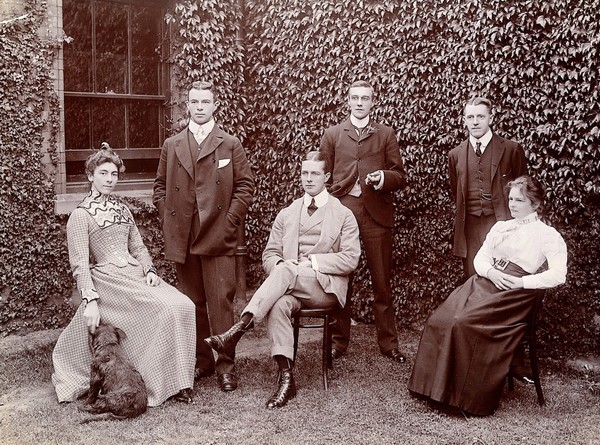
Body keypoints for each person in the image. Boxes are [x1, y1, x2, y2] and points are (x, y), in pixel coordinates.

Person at [204, 151, 360, 408]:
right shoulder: (287, 213)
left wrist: (312, 262)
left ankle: (237, 331)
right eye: (304, 173)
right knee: (278, 303)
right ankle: (286, 378)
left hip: (325, 288)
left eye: (315, 174)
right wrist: (280, 266)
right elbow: (270, 255)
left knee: (286, 271)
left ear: (327, 176)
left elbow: (350, 259)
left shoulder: (343, 215)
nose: (308, 179)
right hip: (290, 285)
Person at [408, 175, 567, 416]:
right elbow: (480, 259)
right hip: (485, 282)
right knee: (439, 319)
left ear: (535, 204)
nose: (512, 204)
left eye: (519, 200)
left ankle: (463, 399)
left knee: (463, 323)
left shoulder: (547, 235)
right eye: (511, 199)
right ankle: (431, 389)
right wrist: (492, 272)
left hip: (512, 294)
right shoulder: (501, 227)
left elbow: (558, 275)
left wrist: (521, 281)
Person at [52, 143, 196, 406]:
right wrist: (90, 299)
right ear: (90, 176)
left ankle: (180, 380)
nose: (109, 179)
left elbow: (138, 247)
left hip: (134, 273)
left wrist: (150, 270)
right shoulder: (80, 216)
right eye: (103, 173)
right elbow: (80, 263)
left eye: (114, 174)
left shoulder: (123, 209)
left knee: (183, 305)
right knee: (164, 310)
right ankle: (156, 381)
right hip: (107, 280)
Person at [153, 81, 254, 392]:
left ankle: (226, 366)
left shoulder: (229, 143)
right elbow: (159, 188)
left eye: (204, 102)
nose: (199, 107)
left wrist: (229, 221)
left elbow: (245, 187)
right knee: (193, 303)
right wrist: (168, 218)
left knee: (221, 303)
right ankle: (203, 361)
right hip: (183, 235)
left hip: (218, 235)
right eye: (194, 102)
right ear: (188, 106)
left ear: (214, 105)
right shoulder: (172, 144)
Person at [319, 79, 407, 363]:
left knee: (382, 282)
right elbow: (322, 175)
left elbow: (399, 175)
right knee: (341, 279)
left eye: (365, 98)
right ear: (348, 101)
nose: (359, 103)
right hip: (343, 216)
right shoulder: (333, 134)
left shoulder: (385, 134)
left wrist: (383, 178)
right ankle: (338, 341)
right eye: (355, 98)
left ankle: (388, 343)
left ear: (372, 101)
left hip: (376, 216)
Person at [449, 96, 528, 279]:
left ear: (490, 118)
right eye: (470, 117)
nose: (475, 122)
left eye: (480, 117)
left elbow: (524, 191)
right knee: (472, 279)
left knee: (504, 279)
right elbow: (455, 190)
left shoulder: (511, 149)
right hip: (469, 227)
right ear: (464, 120)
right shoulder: (455, 155)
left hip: (503, 224)